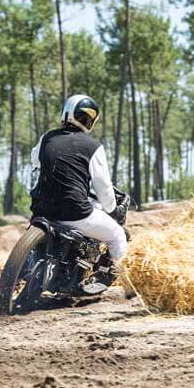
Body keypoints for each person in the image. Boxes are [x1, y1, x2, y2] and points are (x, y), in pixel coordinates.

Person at [30, 94, 128, 294]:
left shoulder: (47, 137)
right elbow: (102, 186)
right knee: (117, 235)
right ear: (88, 118)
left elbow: (35, 161)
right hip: (74, 213)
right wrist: (112, 209)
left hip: (41, 209)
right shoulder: (93, 146)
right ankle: (130, 288)